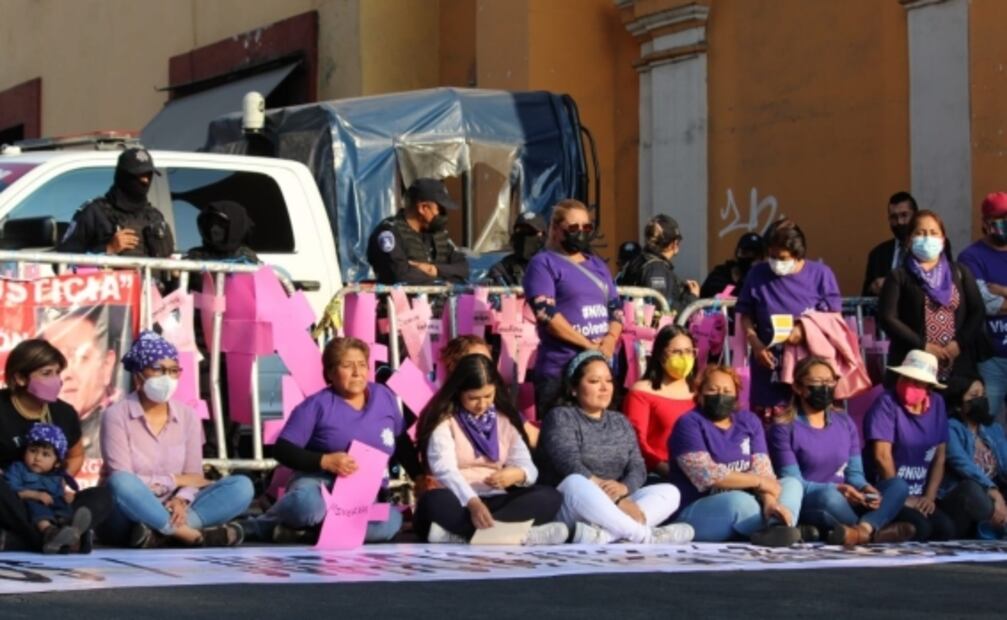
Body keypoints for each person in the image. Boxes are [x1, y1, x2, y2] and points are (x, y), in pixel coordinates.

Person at [242, 337, 412, 544]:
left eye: (361, 365)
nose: (357, 372)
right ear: (330, 373)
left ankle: (304, 534)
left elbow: (401, 441)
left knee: (390, 523)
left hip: (361, 492)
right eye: (347, 366)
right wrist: (325, 461)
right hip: (319, 484)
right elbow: (282, 449)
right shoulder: (316, 405)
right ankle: (262, 524)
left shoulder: (384, 397)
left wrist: (420, 476)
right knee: (307, 507)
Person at [98, 331, 252, 547]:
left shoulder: (188, 416)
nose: (166, 378)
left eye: (173, 371)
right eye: (158, 370)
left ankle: (159, 535)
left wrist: (181, 499)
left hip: (176, 507)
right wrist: (174, 480)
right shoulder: (116, 415)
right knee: (120, 482)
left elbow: (194, 476)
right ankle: (191, 535)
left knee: (242, 486)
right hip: (130, 510)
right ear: (138, 375)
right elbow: (123, 477)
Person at [539, 351, 694, 544]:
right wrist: (616, 501)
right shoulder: (560, 417)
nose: (604, 388)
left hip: (616, 503)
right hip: (575, 503)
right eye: (594, 381)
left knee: (671, 491)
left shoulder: (620, 421)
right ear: (573, 388)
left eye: (609, 381)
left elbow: (637, 466)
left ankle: (602, 536)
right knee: (576, 482)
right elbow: (569, 464)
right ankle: (645, 535)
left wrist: (624, 488)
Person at [413, 354, 567, 544]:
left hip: (495, 499)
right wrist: (473, 502)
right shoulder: (445, 420)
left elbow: (528, 465)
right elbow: (444, 469)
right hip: (458, 499)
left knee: (550, 497)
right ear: (458, 392)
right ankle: (519, 536)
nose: (482, 404)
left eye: (488, 396)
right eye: (473, 398)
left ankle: (464, 536)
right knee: (433, 503)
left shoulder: (504, 420)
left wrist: (518, 474)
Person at [768, 357, 915, 546]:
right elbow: (793, 482)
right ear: (798, 387)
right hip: (816, 499)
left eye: (830, 382)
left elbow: (854, 474)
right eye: (817, 383)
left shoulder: (844, 422)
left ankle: (863, 530)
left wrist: (865, 490)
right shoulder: (783, 427)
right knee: (829, 498)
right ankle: (873, 531)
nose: (826, 387)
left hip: (850, 498)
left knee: (898, 486)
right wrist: (837, 489)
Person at [669, 365, 805, 545]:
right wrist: (759, 482)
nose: (720, 395)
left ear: (735, 396)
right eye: (712, 390)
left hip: (752, 497)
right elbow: (707, 475)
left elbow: (762, 469)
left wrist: (770, 502)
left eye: (727, 391)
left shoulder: (748, 421)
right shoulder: (689, 423)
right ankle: (784, 529)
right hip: (700, 505)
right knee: (740, 503)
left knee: (791, 484)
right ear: (700, 394)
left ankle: (778, 527)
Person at [0, 339, 113, 552]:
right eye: (46, 373)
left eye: (57, 373)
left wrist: (57, 481)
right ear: (20, 377)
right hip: (14, 498)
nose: (56, 380)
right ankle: (62, 539)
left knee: (103, 496)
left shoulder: (64, 413)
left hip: (52, 499)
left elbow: (76, 455)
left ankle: (45, 535)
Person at [523, 199, 623, 417]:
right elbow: (546, 314)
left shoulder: (597, 264)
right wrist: (587, 345)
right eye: (573, 228)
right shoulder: (543, 263)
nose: (581, 232)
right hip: (560, 369)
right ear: (556, 229)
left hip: (600, 367)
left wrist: (609, 340)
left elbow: (616, 308)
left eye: (586, 227)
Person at [736, 219, 842, 420]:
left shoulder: (821, 275)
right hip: (769, 366)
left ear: (797, 254)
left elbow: (834, 319)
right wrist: (755, 343)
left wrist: (804, 330)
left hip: (810, 368)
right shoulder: (757, 274)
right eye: (772, 256)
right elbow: (746, 314)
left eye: (782, 257)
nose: (776, 262)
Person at [879, 209, 989, 386]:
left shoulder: (960, 273)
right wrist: (924, 346)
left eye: (933, 233)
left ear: (943, 240)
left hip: (956, 367)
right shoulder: (899, 277)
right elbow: (888, 318)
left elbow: (977, 311)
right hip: (914, 369)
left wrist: (958, 344)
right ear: (908, 240)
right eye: (920, 233)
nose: (927, 238)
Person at [864, 350, 955, 541]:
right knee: (922, 528)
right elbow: (882, 456)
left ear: (928, 387)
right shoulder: (886, 403)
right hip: (886, 491)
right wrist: (901, 497)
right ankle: (875, 532)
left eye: (916, 382)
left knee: (946, 529)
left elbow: (940, 457)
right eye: (905, 378)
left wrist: (929, 497)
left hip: (920, 494)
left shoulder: (937, 404)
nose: (909, 385)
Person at [58, 147, 174, 258]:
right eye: (140, 176)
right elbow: (62, 263)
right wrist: (108, 249)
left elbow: (169, 265)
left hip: (151, 279)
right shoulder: (94, 213)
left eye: (149, 175)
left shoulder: (155, 217)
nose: (146, 180)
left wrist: (173, 269)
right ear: (124, 176)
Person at [39, 309, 120, 458]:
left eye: (82, 357)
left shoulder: (120, 430)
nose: (66, 374)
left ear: (107, 365)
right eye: (53, 360)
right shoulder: (25, 428)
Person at [958, 192, 1007, 424]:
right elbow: (984, 302)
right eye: (1000, 219)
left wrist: (1003, 291)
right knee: (985, 424)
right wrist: (992, 297)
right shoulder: (971, 257)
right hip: (990, 358)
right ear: (986, 223)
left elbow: (995, 300)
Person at [623, 326, 697, 478]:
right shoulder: (642, 392)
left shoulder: (700, 391)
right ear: (660, 355)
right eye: (676, 352)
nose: (684, 357)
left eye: (689, 351)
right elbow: (636, 442)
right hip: (659, 475)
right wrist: (665, 470)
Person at [4, 423, 90, 553]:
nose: (37, 458)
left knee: (63, 504)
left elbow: (57, 495)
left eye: (45, 454)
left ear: (57, 463)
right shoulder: (18, 468)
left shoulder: (57, 478)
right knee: (36, 504)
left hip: (52, 508)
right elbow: (10, 492)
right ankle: (49, 532)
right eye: (33, 451)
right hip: (27, 508)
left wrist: (66, 497)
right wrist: (34, 495)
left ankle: (70, 530)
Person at [940, 376, 1007, 538]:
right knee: (971, 488)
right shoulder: (950, 428)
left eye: (983, 395)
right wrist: (993, 491)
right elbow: (962, 464)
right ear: (958, 405)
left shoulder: (993, 429)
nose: (981, 400)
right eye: (974, 396)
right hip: (962, 500)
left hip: (995, 498)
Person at [367, 178, 469, 284]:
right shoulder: (389, 233)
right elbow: (400, 275)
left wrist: (433, 269)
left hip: (439, 299)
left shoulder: (437, 234)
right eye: (440, 209)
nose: (443, 215)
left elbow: (463, 268)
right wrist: (443, 280)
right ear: (423, 208)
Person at [620, 215, 699, 315]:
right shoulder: (656, 269)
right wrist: (691, 298)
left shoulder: (639, 260)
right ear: (674, 243)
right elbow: (660, 310)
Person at [862, 191, 918, 296]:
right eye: (893, 217)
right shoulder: (877, 254)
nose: (899, 222)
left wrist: (892, 284)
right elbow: (865, 298)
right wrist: (873, 287)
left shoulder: (930, 247)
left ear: (915, 216)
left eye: (904, 215)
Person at [183, 200, 259, 264]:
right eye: (210, 224)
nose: (214, 229)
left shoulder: (247, 258)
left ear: (236, 225)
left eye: (221, 224)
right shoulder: (195, 256)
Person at [487, 212, 547, 287]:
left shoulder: (553, 267)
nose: (525, 237)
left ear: (543, 236)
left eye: (531, 232)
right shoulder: (502, 269)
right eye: (520, 231)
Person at [700, 232, 765, 299]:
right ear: (737, 252)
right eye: (745, 252)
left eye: (755, 255)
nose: (749, 258)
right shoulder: (719, 275)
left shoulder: (762, 282)